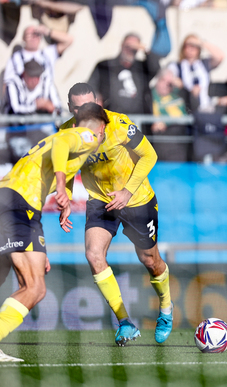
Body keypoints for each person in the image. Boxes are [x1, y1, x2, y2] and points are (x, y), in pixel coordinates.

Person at [60, 83, 173, 346]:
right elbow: (64, 168)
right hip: (100, 201)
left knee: (150, 261)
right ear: (70, 108)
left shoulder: (118, 124)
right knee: (93, 254)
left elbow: (149, 155)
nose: (83, 112)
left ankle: (166, 308)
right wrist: (64, 198)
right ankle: (125, 323)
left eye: (88, 105)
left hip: (136, 199)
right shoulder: (65, 132)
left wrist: (127, 192)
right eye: (77, 108)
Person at [0, 102, 106, 362]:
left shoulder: (60, 137)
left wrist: (38, 248)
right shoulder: (85, 136)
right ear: (100, 128)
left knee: (16, 280)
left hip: (14, 202)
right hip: (18, 205)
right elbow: (61, 149)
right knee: (34, 288)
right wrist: (60, 186)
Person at [88, 33, 160, 116]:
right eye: (127, 46)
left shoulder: (142, 68)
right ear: (122, 45)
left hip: (137, 121)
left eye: (134, 48)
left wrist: (145, 49)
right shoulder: (105, 66)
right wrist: (97, 99)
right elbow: (91, 86)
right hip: (110, 119)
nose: (129, 50)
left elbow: (156, 68)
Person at [167, 34, 224, 113]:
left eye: (194, 46)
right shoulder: (177, 66)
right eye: (188, 45)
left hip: (206, 109)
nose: (191, 48)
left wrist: (201, 42)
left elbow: (220, 56)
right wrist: (182, 86)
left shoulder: (204, 63)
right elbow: (167, 77)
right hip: (186, 109)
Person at [3, 24, 73, 82]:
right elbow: (7, 83)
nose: (34, 37)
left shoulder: (47, 53)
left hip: (46, 97)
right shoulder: (15, 58)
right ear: (23, 38)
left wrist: (48, 32)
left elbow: (69, 40)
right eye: (30, 34)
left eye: (37, 34)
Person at [150, 68, 191, 161]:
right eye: (163, 81)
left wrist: (181, 86)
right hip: (159, 140)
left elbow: (192, 106)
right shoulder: (149, 95)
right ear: (158, 80)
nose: (166, 85)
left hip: (179, 142)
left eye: (170, 83)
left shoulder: (177, 95)